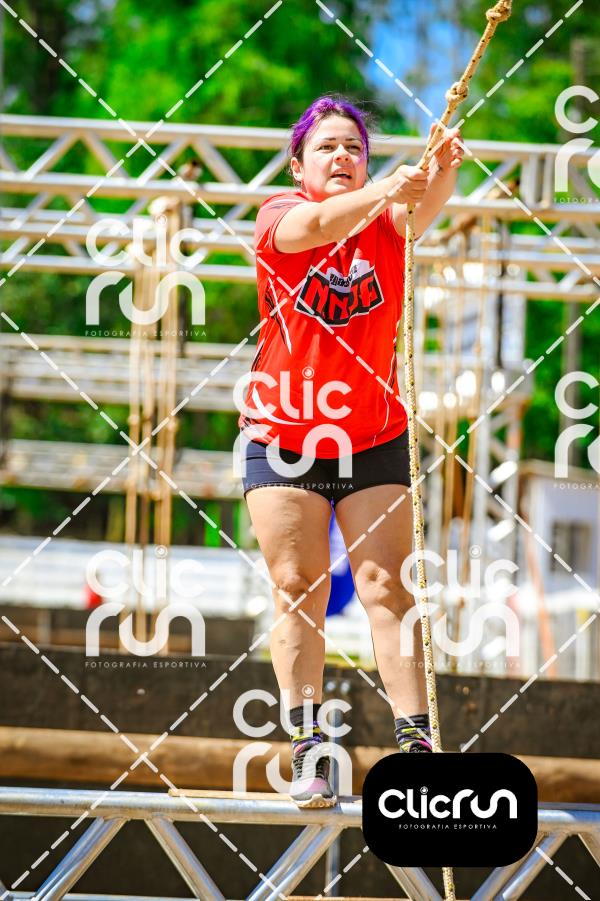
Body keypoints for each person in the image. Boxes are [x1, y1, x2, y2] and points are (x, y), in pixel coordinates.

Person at [237, 95, 464, 807]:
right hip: (285, 435)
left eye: (354, 148)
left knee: (388, 587)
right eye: (327, 147)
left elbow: (424, 204)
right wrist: (385, 187)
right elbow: (314, 228)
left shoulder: (388, 224)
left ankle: (416, 746)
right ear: (297, 165)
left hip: (372, 434)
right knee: (296, 583)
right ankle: (309, 749)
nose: (343, 156)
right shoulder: (280, 215)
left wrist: (443, 166)